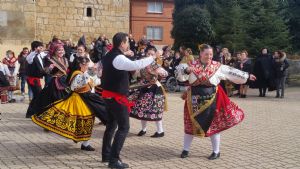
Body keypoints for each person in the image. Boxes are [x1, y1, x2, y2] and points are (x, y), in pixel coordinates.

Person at [178, 44, 256, 160]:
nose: (209, 56)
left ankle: (216, 151)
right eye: (206, 54)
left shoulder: (218, 66)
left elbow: (231, 72)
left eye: (211, 54)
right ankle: (185, 149)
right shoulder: (190, 65)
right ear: (200, 54)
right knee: (190, 125)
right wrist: (186, 70)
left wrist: (247, 75)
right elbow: (180, 76)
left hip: (212, 99)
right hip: (193, 99)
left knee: (213, 125)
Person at [101, 32, 156, 168]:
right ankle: (113, 161)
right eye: (127, 42)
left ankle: (106, 155)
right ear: (122, 43)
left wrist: (127, 55)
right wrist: (152, 57)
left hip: (108, 96)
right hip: (116, 98)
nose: (129, 44)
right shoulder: (118, 58)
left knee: (111, 126)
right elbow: (136, 65)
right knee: (124, 127)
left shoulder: (108, 56)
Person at [32, 56, 107, 150]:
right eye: (86, 64)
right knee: (84, 118)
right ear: (81, 65)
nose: (88, 66)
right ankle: (82, 141)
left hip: (86, 98)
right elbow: (76, 86)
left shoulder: (83, 73)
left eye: (88, 64)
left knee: (88, 119)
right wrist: (90, 73)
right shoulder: (76, 74)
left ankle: (85, 143)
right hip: (78, 99)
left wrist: (98, 75)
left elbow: (93, 82)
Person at [129, 47, 168, 138]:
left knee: (155, 110)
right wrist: (134, 71)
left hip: (155, 88)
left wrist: (161, 73)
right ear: (145, 54)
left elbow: (165, 73)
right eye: (148, 54)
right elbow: (136, 75)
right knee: (142, 108)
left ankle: (160, 131)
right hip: (143, 87)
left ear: (155, 55)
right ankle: (143, 129)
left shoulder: (155, 64)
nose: (150, 55)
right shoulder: (142, 63)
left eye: (152, 54)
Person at [26, 43, 70, 118]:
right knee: (53, 99)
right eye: (59, 50)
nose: (61, 51)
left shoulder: (65, 59)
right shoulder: (50, 59)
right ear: (55, 51)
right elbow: (46, 70)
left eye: (62, 50)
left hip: (65, 82)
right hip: (55, 83)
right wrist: (50, 68)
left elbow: (68, 70)